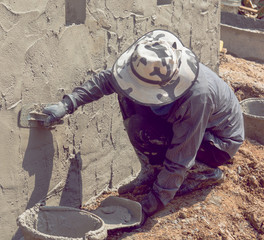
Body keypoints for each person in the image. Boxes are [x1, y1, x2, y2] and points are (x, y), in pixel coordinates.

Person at [42, 29, 245, 225]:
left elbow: (180, 158)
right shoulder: (144, 68)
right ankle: (150, 170)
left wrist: (148, 207)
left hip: (218, 141)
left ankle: (205, 173)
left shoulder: (196, 98)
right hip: (191, 125)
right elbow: (106, 80)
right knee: (129, 99)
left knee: (166, 145)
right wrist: (67, 104)